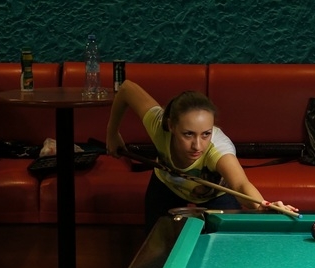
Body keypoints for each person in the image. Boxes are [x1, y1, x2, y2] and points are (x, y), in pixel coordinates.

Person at [105, 80, 298, 229]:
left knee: (225, 248)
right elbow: (126, 88)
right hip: (166, 186)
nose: (197, 145)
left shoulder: (218, 149)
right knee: (157, 248)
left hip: (215, 195)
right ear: (171, 126)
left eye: (206, 134)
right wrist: (112, 134)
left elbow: (240, 184)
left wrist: (262, 205)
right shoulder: (159, 126)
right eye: (188, 134)